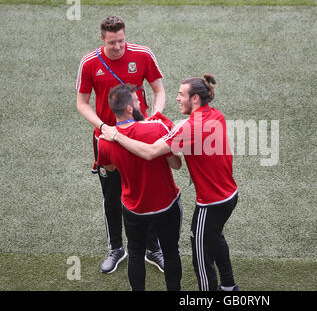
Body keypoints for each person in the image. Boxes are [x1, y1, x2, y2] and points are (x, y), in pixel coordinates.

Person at [102, 74, 240, 291]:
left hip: (210, 203)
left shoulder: (188, 127)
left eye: (181, 94)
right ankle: (229, 287)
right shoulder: (216, 115)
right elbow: (175, 161)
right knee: (213, 238)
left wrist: (116, 135)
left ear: (195, 99)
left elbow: (150, 152)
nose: (177, 98)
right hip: (229, 195)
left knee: (201, 259)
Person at [75, 15, 165, 274]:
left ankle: (152, 248)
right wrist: (104, 128)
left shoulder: (143, 55)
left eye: (122, 41)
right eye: (112, 42)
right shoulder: (90, 63)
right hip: (106, 139)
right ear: (102, 39)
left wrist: (155, 118)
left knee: (146, 191)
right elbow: (82, 103)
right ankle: (116, 247)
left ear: (126, 35)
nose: (118, 47)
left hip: (140, 135)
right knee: (112, 196)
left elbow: (158, 90)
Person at [97, 84, 183, 290]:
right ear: (128, 108)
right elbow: (176, 164)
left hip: (134, 208)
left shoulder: (104, 141)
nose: (140, 104)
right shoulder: (158, 128)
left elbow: (109, 167)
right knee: (171, 252)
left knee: (135, 254)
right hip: (166, 205)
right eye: (137, 101)